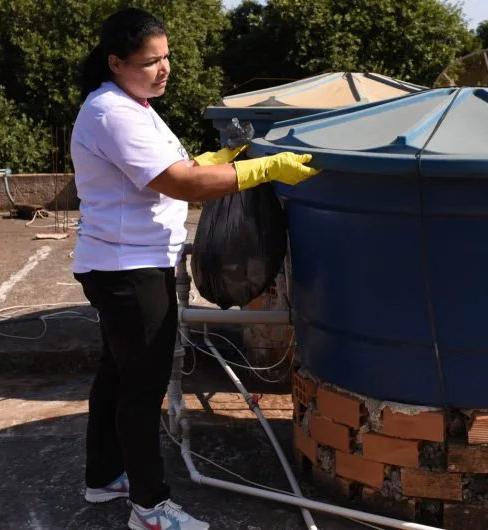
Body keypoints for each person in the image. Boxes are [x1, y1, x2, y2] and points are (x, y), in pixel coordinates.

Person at [69, 7, 319, 530]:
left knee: (118, 375)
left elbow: (172, 166)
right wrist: (261, 168)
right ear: (115, 62)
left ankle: (105, 477)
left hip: (123, 261)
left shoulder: (131, 103)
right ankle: (150, 508)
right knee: (141, 390)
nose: (162, 70)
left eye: (166, 58)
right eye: (149, 62)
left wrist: (220, 157)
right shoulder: (112, 113)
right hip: (128, 269)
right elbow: (178, 182)